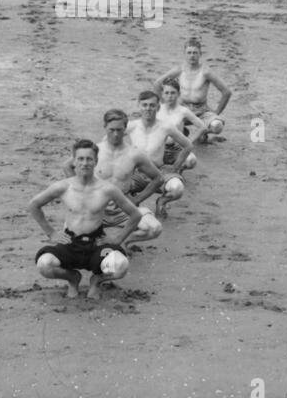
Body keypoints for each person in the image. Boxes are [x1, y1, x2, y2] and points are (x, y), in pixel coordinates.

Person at [29, 139, 145, 300]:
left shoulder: (108, 189)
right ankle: (72, 278)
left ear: (96, 161)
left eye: (89, 159)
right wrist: (51, 233)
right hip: (70, 243)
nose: (85, 163)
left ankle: (96, 281)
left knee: (121, 267)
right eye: (81, 159)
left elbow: (136, 215)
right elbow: (34, 205)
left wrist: (117, 239)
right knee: (44, 265)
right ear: (74, 161)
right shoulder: (63, 187)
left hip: (97, 244)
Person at [64, 109, 165, 244]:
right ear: (105, 127)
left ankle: (124, 242)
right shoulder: (94, 151)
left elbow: (158, 178)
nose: (116, 134)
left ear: (125, 129)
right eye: (112, 130)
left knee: (154, 228)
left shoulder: (135, 155)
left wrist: (137, 199)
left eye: (119, 130)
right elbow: (67, 166)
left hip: (123, 207)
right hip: (96, 207)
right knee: (71, 236)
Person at [126, 89, 191, 216]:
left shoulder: (166, 127)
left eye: (152, 105)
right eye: (144, 105)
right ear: (139, 106)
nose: (148, 108)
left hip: (159, 171)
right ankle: (132, 200)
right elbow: (110, 141)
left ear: (158, 107)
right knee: (116, 185)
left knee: (177, 188)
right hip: (137, 172)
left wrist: (174, 167)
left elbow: (188, 145)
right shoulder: (131, 126)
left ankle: (162, 201)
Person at [155, 37, 231, 144]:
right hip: (182, 108)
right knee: (169, 138)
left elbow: (226, 92)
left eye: (195, 53)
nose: (192, 55)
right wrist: (165, 105)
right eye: (189, 52)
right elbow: (157, 84)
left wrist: (216, 112)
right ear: (185, 54)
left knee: (217, 126)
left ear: (200, 54)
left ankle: (202, 133)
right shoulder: (179, 70)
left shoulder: (206, 72)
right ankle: (184, 133)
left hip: (202, 110)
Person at [158, 78, 201, 171]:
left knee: (191, 160)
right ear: (162, 94)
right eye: (167, 93)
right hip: (159, 147)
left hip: (176, 148)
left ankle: (179, 170)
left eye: (173, 93)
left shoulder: (183, 111)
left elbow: (202, 127)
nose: (170, 96)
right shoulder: (157, 109)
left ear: (178, 94)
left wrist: (189, 141)